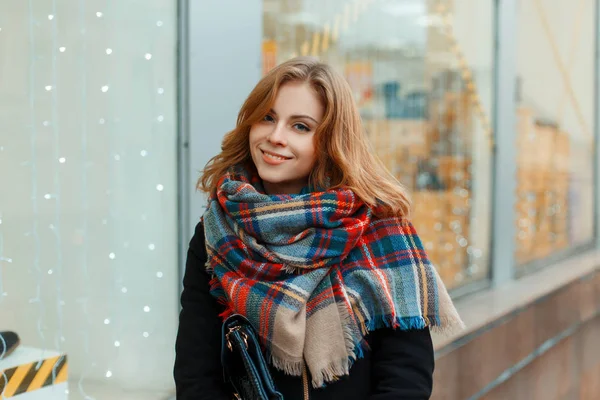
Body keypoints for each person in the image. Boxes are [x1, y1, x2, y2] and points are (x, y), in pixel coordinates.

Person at [174, 57, 463, 400]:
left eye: (300, 126)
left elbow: (405, 381)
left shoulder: (381, 233)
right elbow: (196, 374)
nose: (276, 137)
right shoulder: (218, 232)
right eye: (268, 117)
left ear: (330, 140)